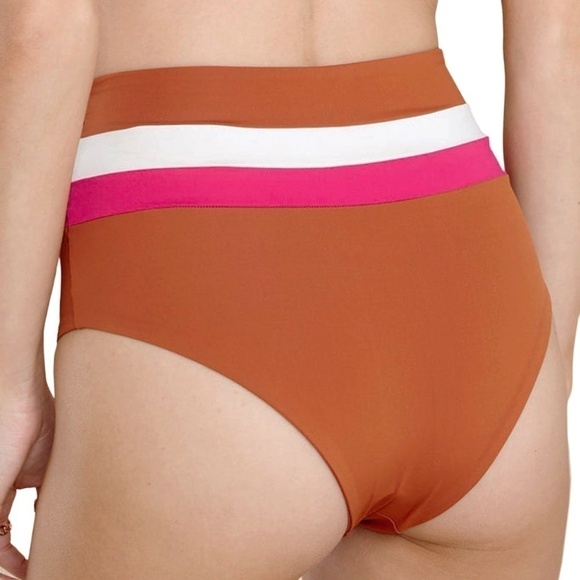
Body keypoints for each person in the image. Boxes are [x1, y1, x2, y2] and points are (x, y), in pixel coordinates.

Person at [0, 1, 578, 578]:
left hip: (207, 261)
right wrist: (540, 361)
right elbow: (559, 38)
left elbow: (40, 26)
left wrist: (11, 395)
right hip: (472, 281)